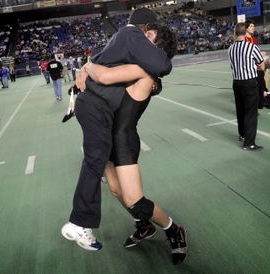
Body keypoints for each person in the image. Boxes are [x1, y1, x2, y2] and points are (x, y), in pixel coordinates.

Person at [61, 8, 172, 252]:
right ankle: (85, 221)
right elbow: (103, 66)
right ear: (145, 29)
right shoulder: (131, 40)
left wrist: (87, 67)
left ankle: (157, 226)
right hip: (100, 114)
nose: (150, 41)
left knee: (120, 188)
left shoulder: (132, 55)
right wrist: (87, 68)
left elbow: (101, 69)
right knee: (105, 174)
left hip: (115, 129)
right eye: (151, 35)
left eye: (154, 39)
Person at [77, 25, 187, 265]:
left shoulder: (144, 71)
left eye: (148, 37)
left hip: (124, 139)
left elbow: (103, 75)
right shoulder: (134, 65)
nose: (139, 38)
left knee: (134, 200)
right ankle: (143, 225)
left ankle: (173, 229)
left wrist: (86, 66)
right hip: (107, 133)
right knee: (116, 191)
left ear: (157, 48)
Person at [228, 23, 265, 151]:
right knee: (250, 113)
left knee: (240, 110)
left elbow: (233, 66)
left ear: (235, 33)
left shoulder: (230, 49)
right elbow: (261, 65)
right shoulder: (251, 47)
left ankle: (243, 135)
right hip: (249, 82)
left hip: (236, 82)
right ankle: (249, 143)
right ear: (245, 33)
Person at [245, 20, 266, 109]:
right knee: (260, 70)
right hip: (249, 63)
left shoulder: (254, 40)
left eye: (253, 26)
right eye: (251, 26)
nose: (253, 28)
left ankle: (263, 90)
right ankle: (261, 91)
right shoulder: (243, 40)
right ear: (246, 28)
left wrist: (261, 54)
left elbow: (256, 52)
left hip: (256, 61)